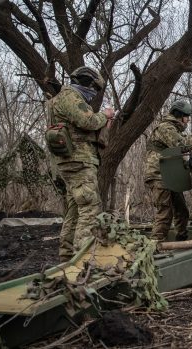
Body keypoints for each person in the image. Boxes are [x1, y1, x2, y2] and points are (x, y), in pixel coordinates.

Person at [46, 66, 115, 262]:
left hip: (70, 162)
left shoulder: (59, 99)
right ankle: (83, 260)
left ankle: (67, 254)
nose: (94, 94)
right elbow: (89, 122)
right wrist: (106, 115)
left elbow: (79, 128)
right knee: (90, 208)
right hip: (78, 161)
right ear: (88, 84)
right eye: (94, 88)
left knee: (75, 209)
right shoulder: (70, 97)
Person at [144, 100, 192, 241]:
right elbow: (181, 145)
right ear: (180, 116)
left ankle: (181, 240)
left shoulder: (172, 130)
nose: (188, 120)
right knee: (165, 213)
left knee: (181, 210)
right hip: (158, 174)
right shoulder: (165, 128)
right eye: (187, 117)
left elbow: (183, 142)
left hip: (169, 174)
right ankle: (154, 248)